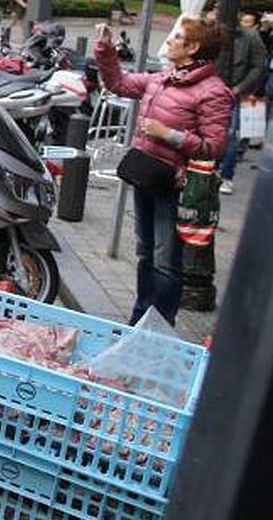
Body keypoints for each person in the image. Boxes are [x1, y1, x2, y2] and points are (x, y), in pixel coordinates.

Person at [94, 17, 232, 325]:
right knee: (145, 253)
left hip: (174, 186)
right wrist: (106, 49)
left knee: (165, 260)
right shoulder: (163, 77)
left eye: (177, 37)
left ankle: (158, 328)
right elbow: (118, 83)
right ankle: (139, 320)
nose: (169, 41)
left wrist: (168, 134)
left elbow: (214, 147)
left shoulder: (213, 91)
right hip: (146, 175)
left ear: (193, 48)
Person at [217, 10, 268, 194]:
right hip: (214, 89)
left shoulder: (251, 37)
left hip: (237, 92)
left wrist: (241, 87)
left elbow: (260, 65)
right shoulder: (212, 31)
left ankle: (226, 175)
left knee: (231, 134)